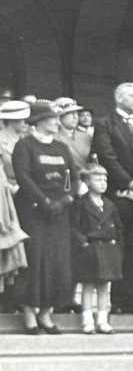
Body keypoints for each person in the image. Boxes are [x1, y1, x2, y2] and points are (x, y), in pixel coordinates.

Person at [12, 102, 78, 334]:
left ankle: (46, 313)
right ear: (39, 121)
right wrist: (45, 201)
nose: (57, 122)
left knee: (57, 261)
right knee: (35, 260)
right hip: (34, 211)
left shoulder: (62, 147)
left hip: (59, 212)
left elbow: (73, 178)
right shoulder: (25, 146)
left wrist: (65, 200)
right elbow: (24, 177)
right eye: (53, 118)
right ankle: (29, 313)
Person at [92, 82, 133, 314]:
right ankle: (121, 300)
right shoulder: (104, 124)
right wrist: (130, 183)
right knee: (123, 246)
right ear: (119, 98)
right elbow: (107, 157)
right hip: (120, 193)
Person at [54, 98, 91, 172]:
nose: (75, 117)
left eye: (76, 113)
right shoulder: (53, 137)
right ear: (59, 116)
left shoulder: (86, 136)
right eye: (70, 113)